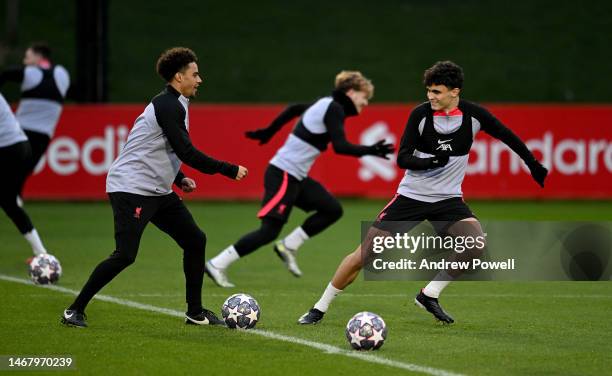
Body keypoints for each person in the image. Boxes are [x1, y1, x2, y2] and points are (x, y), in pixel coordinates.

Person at [297, 61, 548, 325]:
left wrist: (533, 164)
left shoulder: (474, 116)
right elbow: (403, 158)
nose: (431, 96)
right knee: (363, 256)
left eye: (437, 91)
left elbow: (508, 136)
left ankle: (429, 295)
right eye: (428, 90)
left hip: (448, 201)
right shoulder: (420, 115)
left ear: (455, 91)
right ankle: (319, 308)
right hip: (411, 198)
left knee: (475, 245)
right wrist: (429, 162)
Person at [60, 47, 248, 328]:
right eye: (194, 74)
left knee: (195, 240)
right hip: (131, 188)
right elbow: (186, 151)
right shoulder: (168, 105)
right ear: (178, 76)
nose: (200, 80)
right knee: (125, 255)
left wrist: (178, 177)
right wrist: (228, 169)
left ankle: (195, 313)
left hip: (158, 190)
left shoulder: (178, 102)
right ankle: (74, 310)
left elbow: (159, 149)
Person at [205, 71, 394, 288]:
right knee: (268, 231)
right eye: (364, 96)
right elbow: (340, 146)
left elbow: (294, 109)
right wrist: (370, 149)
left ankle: (289, 244)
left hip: (295, 177)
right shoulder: (333, 107)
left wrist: (269, 131)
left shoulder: (327, 103)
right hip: (283, 174)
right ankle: (217, 263)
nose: (366, 103)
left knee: (332, 209)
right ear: (351, 92)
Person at [0, 43, 70, 171]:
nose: (24, 61)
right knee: (21, 173)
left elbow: (7, 73)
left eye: (27, 57)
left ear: (38, 57)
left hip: (20, 134)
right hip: (43, 137)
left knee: (10, 172)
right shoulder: (62, 74)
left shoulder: (30, 73)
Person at [0, 92, 51, 256]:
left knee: (8, 201)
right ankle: (41, 252)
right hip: (21, 146)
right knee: (8, 202)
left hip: (9, 149)